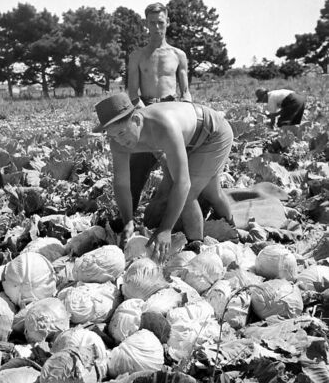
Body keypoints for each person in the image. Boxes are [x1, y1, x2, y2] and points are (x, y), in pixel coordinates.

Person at [93, 92, 234, 263]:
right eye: (113, 135)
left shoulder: (163, 126)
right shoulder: (118, 141)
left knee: (189, 194)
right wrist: (128, 220)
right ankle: (231, 229)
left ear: (136, 120)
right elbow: (122, 184)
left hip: (212, 134)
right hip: (186, 138)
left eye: (122, 133)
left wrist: (165, 229)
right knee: (212, 192)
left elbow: (183, 183)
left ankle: (196, 247)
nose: (120, 141)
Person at [127, 2, 192, 213]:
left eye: (160, 22)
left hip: (173, 111)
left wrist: (188, 111)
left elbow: (186, 92)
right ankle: (127, 219)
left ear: (168, 22)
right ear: (146, 24)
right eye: (152, 23)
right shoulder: (136, 56)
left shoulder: (178, 55)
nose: (156, 27)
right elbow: (132, 94)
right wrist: (147, 114)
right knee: (135, 170)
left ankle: (179, 217)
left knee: (182, 171)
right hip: (145, 112)